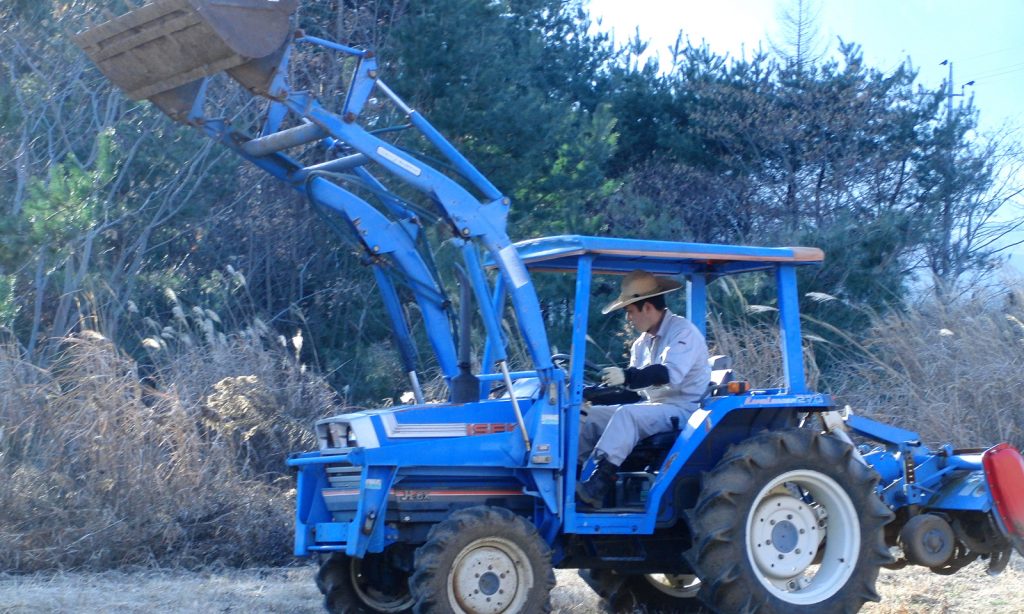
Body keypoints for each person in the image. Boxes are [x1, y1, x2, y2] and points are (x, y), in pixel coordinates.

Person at [576, 270, 710, 508]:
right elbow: (633, 393)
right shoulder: (641, 344)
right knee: (590, 417)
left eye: (630, 311)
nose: (629, 318)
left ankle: (598, 484)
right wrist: (593, 395)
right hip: (652, 408)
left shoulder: (683, 333)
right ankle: (571, 480)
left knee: (627, 415)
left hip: (684, 411)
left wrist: (626, 376)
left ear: (647, 307)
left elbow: (667, 374)